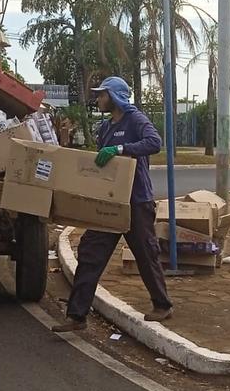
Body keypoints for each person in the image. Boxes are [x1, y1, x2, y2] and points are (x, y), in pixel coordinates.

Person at [53, 76, 173, 332]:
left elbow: (154, 143)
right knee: (90, 253)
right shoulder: (106, 127)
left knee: (145, 253)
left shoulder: (135, 119)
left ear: (115, 96)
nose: (98, 99)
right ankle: (77, 316)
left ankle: (162, 305)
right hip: (109, 202)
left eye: (102, 95)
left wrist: (119, 149)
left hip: (136, 202)